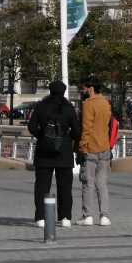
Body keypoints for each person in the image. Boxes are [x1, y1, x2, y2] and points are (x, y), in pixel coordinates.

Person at [26, 80, 80, 228]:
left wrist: (43, 137)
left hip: (44, 153)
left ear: (50, 91)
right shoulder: (69, 108)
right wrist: (67, 139)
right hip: (64, 153)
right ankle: (65, 217)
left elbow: (31, 126)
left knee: (42, 186)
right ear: (63, 92)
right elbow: (77, 132)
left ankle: (41, 217)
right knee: (65, 187)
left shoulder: (41, 106)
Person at [77, 78, 114, 226]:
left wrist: (82, 147)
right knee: (102, 183)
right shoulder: (106, 103)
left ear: (90, 88)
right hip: (105, 147)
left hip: (91, 148)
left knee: (88, 183)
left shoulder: (88, 104)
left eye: (84, 88)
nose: (83, 90)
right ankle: (104, 215)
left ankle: (88, 216)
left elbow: (87, 128)